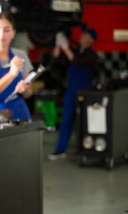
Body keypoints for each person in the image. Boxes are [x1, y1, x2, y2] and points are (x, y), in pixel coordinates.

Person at [48, 26, 99, 160]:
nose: (82, 37)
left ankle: (88, 150)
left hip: (85, 91)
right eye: (82, 35)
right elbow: (57, 60)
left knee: (86, 122)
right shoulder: (75, 51)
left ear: (91, 40)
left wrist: (66, 47)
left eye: (85, 35)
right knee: (66, 120)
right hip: (71, 90)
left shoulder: (92, 55)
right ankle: (60, 150)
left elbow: (76, 61)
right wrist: (59, 45)